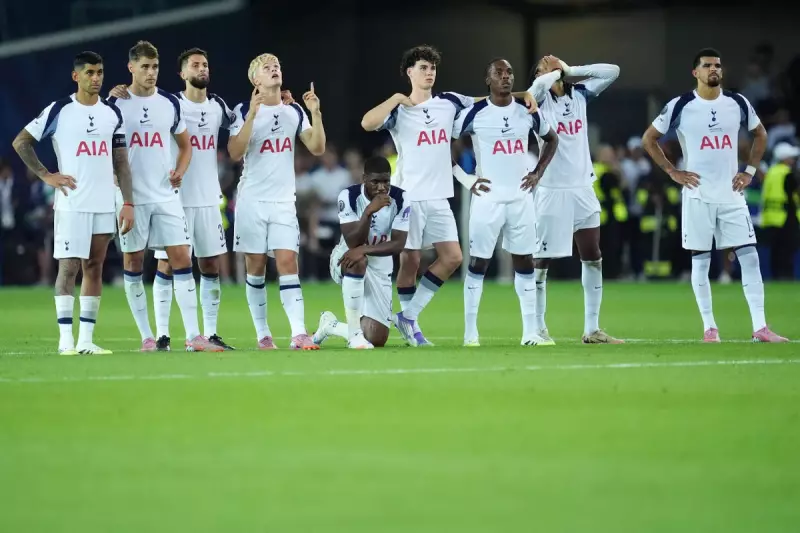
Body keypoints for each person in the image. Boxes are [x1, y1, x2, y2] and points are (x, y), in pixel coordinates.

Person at [361, 45, 534, 347]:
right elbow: (367, 123)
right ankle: (410, 326)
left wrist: (522, 95)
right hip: (409, 197)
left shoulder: (450, 101)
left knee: (453, 257)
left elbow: (488, 99)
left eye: (433, 68)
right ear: (409, 72)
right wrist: (396, 99)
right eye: (423, 68)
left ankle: (408, 317)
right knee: (411, 261)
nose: (429, 73)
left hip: (440, 196)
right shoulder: (399, 111)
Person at [642, 47, 788, 342]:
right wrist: (673, 172)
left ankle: (760, 326)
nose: (714, 69)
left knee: (749, 257)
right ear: (695, 72)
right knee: (701, 260)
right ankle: (710, 327)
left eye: (718, 65)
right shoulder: (681, 105)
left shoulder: (737, 102)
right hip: (697, 195)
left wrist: (748, 171)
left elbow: (760, 134)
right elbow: (650, 139)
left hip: (732, 195)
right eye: (708, 65)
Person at [110, 47, 238, 351]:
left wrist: (179, 170)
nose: (151, 71)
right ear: (131, 67)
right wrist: (111, 174)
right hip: (137, 197)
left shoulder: (174, 103)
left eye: (155, 66)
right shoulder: (116, 102)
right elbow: (102, 138)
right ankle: (152, 337)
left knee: (193, 262)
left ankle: (198, 336)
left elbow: (188, 144)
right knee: (143, 263)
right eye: (145, 66)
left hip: (179, 196)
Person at [12, 51, 135, 354]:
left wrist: (128, 202)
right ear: (76, 76)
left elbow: (120, 162)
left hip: (104, 203)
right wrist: (45, 175)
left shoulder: (111, 113)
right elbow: (21, 142)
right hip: (71, 203)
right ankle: (65, 339)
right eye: (90, 72)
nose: (96, 78)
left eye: (100, 72)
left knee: (95, 268)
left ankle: (86, 341)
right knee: (68, 270)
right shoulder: (60, 109)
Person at [452, 58, 559, 346]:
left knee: (525, 261)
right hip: (488, 200)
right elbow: (445, 141)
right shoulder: (474, 113)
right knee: (479, 264)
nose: (505, 77)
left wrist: (537, 173)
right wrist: (465, 178)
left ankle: (529, 333)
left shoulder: (527, 110)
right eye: (498, 73)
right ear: (487, 80)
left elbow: (552, 139)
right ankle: (470, 333)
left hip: (521, 199)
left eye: (509, 72)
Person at [227, 53, 326, 350]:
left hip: (283, 201)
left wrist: (316, 112)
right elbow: (234, 151)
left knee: (287, 261)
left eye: (277, 66)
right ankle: (263, 334)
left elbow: (318, 147)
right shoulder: (244, 109)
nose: (274, 70)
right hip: (252, 200)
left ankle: (298, 333)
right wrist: (251, 116)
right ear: (255, 79)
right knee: (255, 267)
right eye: (266, 68)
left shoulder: (293, 110)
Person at [526, 54, 623, 344]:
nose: (551, 65)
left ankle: (592, 329)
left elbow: (613, 69)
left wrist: (570, 70)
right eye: (544, 64)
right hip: (551, 190)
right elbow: (535, 88)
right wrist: (552, 73)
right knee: (541, 261)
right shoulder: (538, 100)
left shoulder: (579, 95)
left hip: (583, 189)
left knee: (592, 255)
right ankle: (538, 328)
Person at [312, 156, 410, 348]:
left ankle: (330, 325)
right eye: (375, 182)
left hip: (381, 266)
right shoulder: (348, 197)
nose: (382, 187)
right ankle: (355, 335)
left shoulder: (401, 198)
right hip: (346, 259)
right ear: (364, 179)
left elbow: (399, 244)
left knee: (377, 337)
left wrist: (364, 249)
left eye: (386, 182)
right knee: (358, 261)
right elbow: (352, 242)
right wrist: (368, 212)